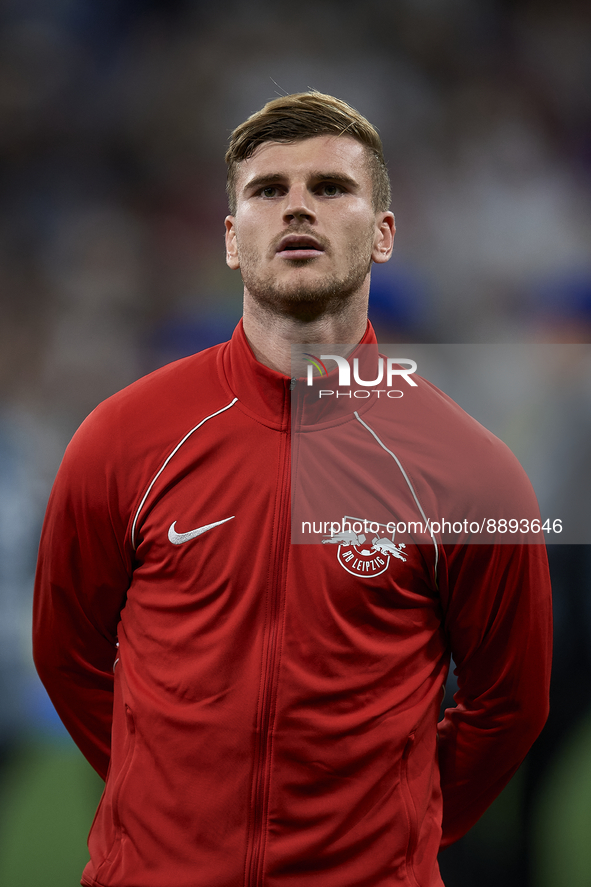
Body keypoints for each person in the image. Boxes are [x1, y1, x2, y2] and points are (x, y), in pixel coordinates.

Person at [33, 92, 552, 887]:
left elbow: (509, 701)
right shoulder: (122, 437)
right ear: (233, 238)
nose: (297, 207)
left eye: (330, 188)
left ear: (382, 235)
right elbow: (65, 650)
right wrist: (165, 797)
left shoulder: (468, 469)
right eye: (268, 190)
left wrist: (388, 829)